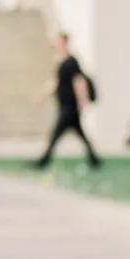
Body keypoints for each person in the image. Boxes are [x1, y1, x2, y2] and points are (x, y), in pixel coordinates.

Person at [35, 30, 101, 169]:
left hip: (70, 106)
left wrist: (82, 101)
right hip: (65, 105)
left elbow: (79, 82)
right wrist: (41, 96)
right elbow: (56, 83)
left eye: (57, 41)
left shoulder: (72, 62)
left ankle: (44, 160)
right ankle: (94, 160)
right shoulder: (63, 62)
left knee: (55, 134)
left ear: (64, 42)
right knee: (80, 134)